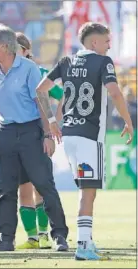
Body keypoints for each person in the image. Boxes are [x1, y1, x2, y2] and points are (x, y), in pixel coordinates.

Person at [36, 22, 134, 260]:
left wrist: (51, 120)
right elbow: (114, 92)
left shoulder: (66, 62)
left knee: (86, 189)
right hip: (89, 136)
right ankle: (83, 246)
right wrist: (128, 121)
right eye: (107, 41)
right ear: (94, 42)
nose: (109, 45)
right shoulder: (103, 62)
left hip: (68, 136)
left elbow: (40, 90)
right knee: (88, 192)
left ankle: (87, 240)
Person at [0, 24, 69, 252]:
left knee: (44, 184)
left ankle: (60, 236)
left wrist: (47, 133)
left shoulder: (28, 68)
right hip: (5, 134)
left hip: (31, 132)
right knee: (6, 188)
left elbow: (40, 100)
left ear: (4, 46)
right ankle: (6, 238)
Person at [14, 32, 64, 250]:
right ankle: (32, 236)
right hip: (17, 137)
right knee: (22, 188)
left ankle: (44, 234)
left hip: (39, 135)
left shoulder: (42, 72)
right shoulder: (7, 73)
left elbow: (63, 95)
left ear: (26, 50)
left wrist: (55, 121)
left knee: (40, 186)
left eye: (16, 48)